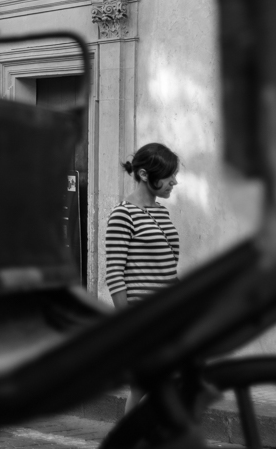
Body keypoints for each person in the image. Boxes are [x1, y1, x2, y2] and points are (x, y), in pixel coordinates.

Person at [105, 142, 180, 412]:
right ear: (146, 175)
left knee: (142, 388)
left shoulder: (162, 212)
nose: (175, 181)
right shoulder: (123, 214)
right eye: (169, 175)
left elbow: (166, 268)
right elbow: (114, 272)